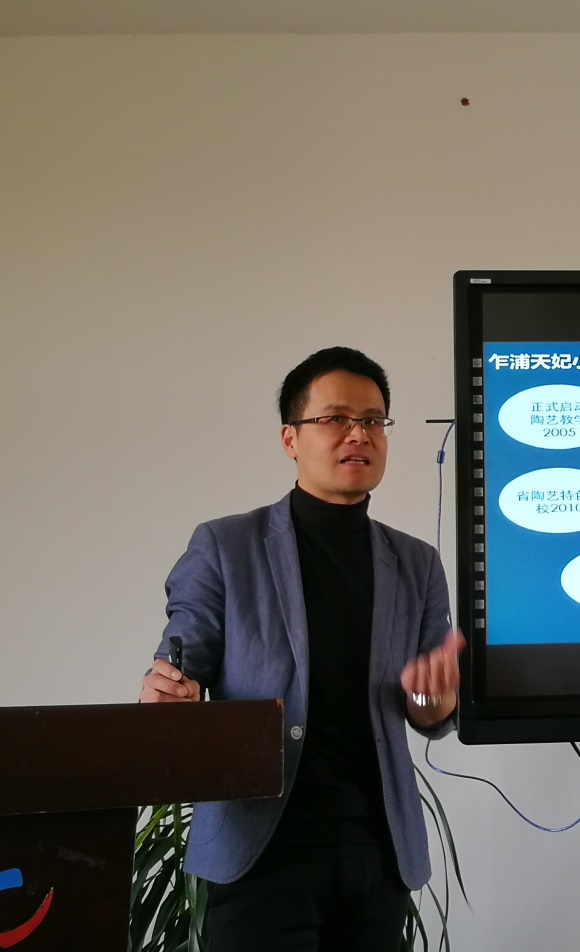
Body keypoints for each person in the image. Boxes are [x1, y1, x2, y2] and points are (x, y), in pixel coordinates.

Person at [139, 346, 463, 952]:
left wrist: (432, 697)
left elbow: (428, 711)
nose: (358, 434)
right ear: (290, 438)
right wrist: (169, 693)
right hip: (261, 854)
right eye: (336, 418)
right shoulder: (226, 546)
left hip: (377, 855)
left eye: (373, 420)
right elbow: (183, 659)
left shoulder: (416, 563)